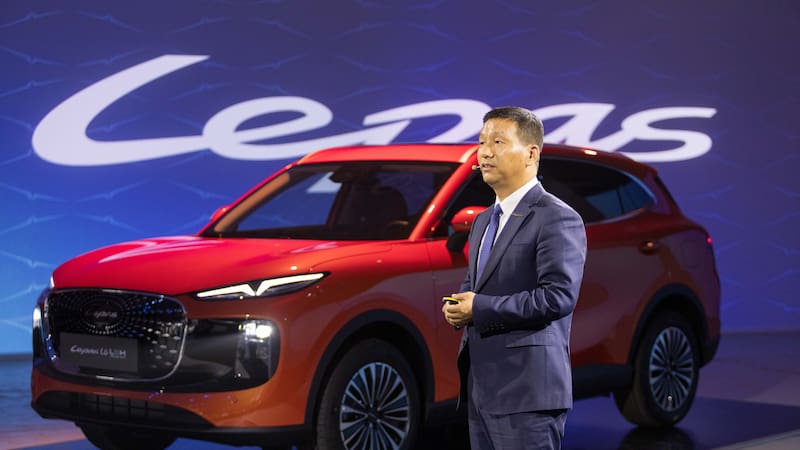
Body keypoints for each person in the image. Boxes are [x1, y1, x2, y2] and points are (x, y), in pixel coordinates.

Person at [442, 106, 587, 449]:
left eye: (498, 142)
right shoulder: (483, 221)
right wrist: (459, 304)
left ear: (531, 153)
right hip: (482, 390)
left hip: (527, 392)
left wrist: (478, 308)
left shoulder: (556, 217)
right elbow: (477, 283)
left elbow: (557, 297)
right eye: (482, 142)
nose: (485, 152)